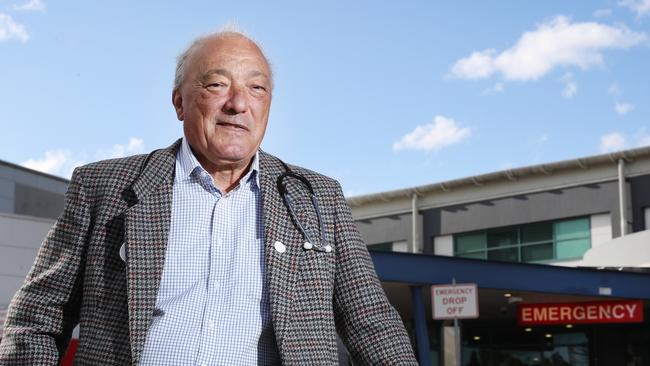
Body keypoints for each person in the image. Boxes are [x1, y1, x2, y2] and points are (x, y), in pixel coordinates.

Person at [0, 28, 417, 365]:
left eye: (257, 88)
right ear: (180, 102)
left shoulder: (318, 198)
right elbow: (36, 318)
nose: (239, 104)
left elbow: (372, 323)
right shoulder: (105, 187)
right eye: (218, 84)